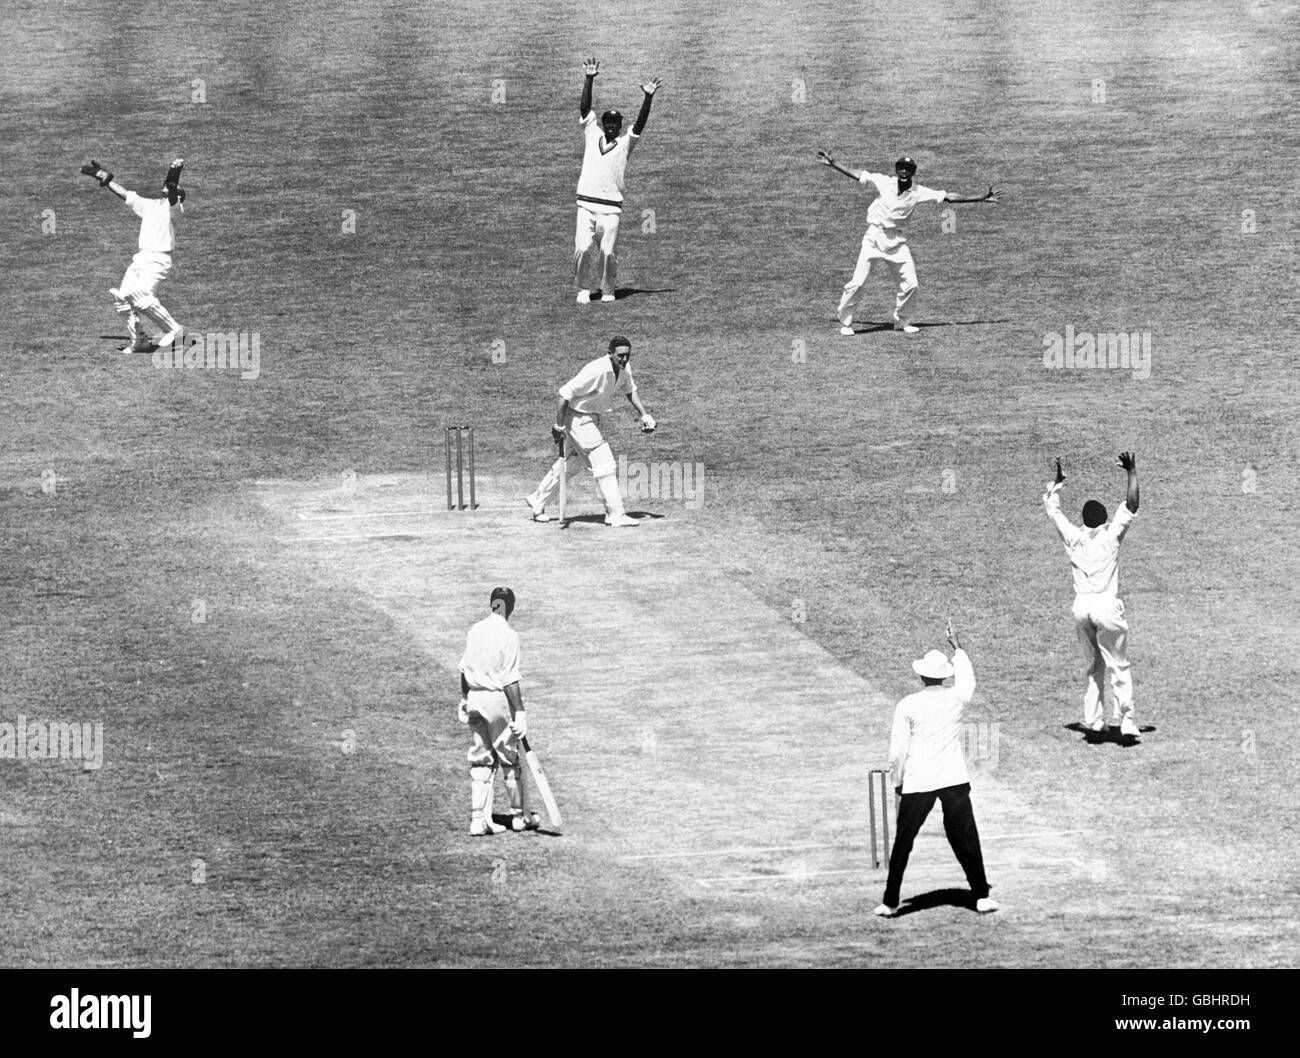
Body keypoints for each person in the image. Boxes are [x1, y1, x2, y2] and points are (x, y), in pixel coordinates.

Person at [874, 622, 997, 918]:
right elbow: (968, 681)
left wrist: (898, 781)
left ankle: (890, 902)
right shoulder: (954, 698)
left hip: (920, 779)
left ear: (920, 675)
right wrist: (958, 647)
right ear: (944, 677)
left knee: (904, 841)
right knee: (966, 836)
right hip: (952, 777)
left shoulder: (908, 704)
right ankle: (981, 896)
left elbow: (898, 750)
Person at [817, 152, 1001, 335]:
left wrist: (981, 197)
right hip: (874, 238)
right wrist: (834, 164)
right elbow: (859, 175)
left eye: (908, 169)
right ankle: (846, 323)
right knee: (857, 283)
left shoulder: (918, 192)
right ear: (897, 170)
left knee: (911, 284)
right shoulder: (884, 181)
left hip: (896, 242)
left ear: (913, 172)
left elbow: (949, 196)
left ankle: (902, 322)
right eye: (901, 168)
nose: (904, 172)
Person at [1043, 453, 1141, 739]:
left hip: (1081, 606)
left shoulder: (1074, 538)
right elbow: (1132, 505)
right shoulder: (1110, 538)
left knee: (1094, 664)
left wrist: (1058, 484)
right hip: (1106, 605)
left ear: (1084, 521)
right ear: (1104, 520)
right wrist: (1131, 471)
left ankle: (1094, 721)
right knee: (1119, 665)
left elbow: (1053, 510)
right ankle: (1126, 720)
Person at [525, 336, 656, 527]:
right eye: (620, 355)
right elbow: (564, 394)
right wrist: (559, 426)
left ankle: (538, 500)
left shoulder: (624, 369)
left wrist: (644, 415)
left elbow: (630, 390)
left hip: (591, 418)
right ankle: (615, 514)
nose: (624, 359)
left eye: (627, 355)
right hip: (578, 419)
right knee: (605, 464)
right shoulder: (596, 370)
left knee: (573, 463)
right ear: (610, 353)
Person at [573, 58, 662, 303]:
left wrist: (648, 98)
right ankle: (583, 288)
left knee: (607, 252)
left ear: (620, 126)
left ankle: (608, 290)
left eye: (615, 123)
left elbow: (640, 125)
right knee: (582, 248)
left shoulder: (625, 145)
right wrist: (589, 79)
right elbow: (584, 109)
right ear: (603, 124)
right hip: (586, 205)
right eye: (608, 122)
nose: (611, 126)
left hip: (611, 208)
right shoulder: (592, 134)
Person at [80, 157, 186, 354]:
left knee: (141, 297)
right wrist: (104, 177)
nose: (168, 189)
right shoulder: (150, 205)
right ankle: (139, 341)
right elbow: (125, 195)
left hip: (158, 260)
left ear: (178, 196)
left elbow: (171, 188)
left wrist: (174, 172)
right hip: (141, 259)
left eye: (173, 189)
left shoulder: (175, 209)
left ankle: (175, 330)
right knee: (122, 299)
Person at [457, 587, 536, 835]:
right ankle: (518, 817)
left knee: (481, 758)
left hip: (474, 697)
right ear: (509, 607)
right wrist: (520, 712)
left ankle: (478, 820)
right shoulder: (509, 635)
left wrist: (464, 698)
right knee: (508, 757)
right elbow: (510, 679)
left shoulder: (475, 629)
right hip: (494, 699)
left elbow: (464, 668)